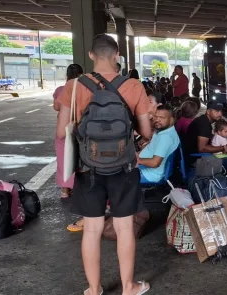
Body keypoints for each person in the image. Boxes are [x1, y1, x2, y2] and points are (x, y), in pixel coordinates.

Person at [55, 33, 152, 295]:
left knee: (93, 228)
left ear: (91, 55)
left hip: (88, 168)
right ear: (117, 55)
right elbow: (146, 132)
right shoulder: (133, 86)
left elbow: (62, 133)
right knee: (123, 227)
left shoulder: (74, 86)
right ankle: (129, 287)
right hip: (124, 168)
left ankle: (94, 289)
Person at [182, 100, 227, 174]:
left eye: (221, 111)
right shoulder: (204, 124)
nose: (220, 114)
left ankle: (225, 180)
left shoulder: (204, 121)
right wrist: (223, 148)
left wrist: (224, 153)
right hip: (198, 161)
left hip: (200, 157)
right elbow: (202, 148)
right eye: (216, 111)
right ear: (208, 111)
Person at [53, 63, 84, 199]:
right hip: (80, 126)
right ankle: (79, 187)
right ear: (81, 75)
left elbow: (56, 107)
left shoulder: (61, 89)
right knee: (80, 156)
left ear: (67, 75)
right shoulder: (83, 89)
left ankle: (65, 190)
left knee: (63, 158)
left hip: (64, 127)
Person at [137, 105, 180, 183]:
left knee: (116, 177)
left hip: (150, 174)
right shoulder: (164, 131)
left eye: (162, 118)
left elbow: (155, 163)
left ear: (171, 120)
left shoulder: (165, 137)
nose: (157, 120)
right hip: (145, 168)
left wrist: (135, 161)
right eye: (156, 117)